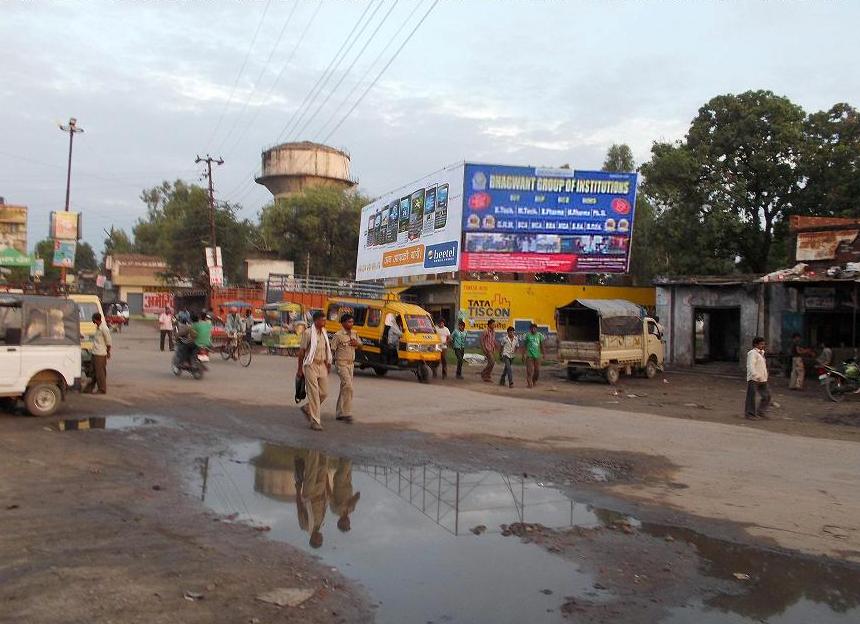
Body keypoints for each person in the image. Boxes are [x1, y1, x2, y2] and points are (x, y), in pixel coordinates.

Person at [296, 311, 332, 431]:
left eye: (325, 320)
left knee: (324, 392)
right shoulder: (308, 333)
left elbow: (327, 349)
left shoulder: (324, 333)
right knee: (314, 394)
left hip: (322, 364)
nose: (324, 322)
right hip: (310, 364)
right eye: (322, 320)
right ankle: (315, 421)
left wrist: (328, 363)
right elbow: (301, 352)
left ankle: (307, 408)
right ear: (316, 321)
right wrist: (299, 369)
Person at [332, 313, 361, 424]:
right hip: (341, 363)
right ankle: (347, 413)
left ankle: (340, 413)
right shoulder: (338, 335)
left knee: (344, 387)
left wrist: (356, 343)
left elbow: (361, 345)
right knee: (348, 386)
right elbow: (332, 349)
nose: (351, 324)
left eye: (352, 322)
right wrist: (329, 363)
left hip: (351, 364)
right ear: (343, 323)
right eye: (349, 322)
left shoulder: (355, 333)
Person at [330, 457, 360, 533]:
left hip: (339, 483)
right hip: (348, 482)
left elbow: (329, 496)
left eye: (347, 524)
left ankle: (348, 448)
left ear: (341, 523)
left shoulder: (335, 510)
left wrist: (326, 480)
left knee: (347, 461)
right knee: (344, 461)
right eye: (349, 524)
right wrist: (353, 502)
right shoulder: (351, 509)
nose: (349, 522)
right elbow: (358, 494)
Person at [85, 313, 111, 394]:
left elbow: (109, 342)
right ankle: (89, 388)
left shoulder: (104, 329)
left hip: (100, 354)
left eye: (93, 319)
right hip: (95, 352)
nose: (92, 321)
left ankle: (102, 389)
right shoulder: (98, 328)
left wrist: (108, 352)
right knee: (92, 372)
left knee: (100, 373)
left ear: (96, 319)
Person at [745, 336, 770, 420]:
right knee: (751, 397)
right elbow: (750, 365)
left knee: (767, 396)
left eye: (763, 344)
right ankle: (750, 414)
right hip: (754, 378)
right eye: (761, 344)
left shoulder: (761, 353)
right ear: (756, 344)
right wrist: (755, 375)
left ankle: (761, 411)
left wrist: (764, 375)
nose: (763, 345)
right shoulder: (752, 353)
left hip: (762, 379)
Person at [523, 323, 545, 388]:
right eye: (532, 328)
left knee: (537, 371)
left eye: (534, 328)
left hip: (537, 356)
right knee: (529, 371)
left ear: (536, 329)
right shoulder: (527, 335)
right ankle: (529, 383)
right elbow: (525, 346)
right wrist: (523, 354)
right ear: (530, 329)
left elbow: (542, 345)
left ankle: (534, 381)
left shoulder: (540, 335)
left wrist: (544, 354)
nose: (533, 330)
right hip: (529, 356)